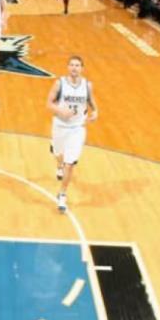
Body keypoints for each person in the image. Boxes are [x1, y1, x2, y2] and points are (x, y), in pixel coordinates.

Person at [47, 55, 98, 212]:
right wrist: (61, 111)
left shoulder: (87, 85)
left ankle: (62, 194)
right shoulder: (59, 83)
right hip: (60, 125)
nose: (74, 68)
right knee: (58, 153)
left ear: (82, 68)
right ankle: (58, 163)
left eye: (77, 65)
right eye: (72, 65)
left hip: (77, 127)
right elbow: (48, 103)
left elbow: (91, 101)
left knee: (70, 163)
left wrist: (95, 111)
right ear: (68, 67)